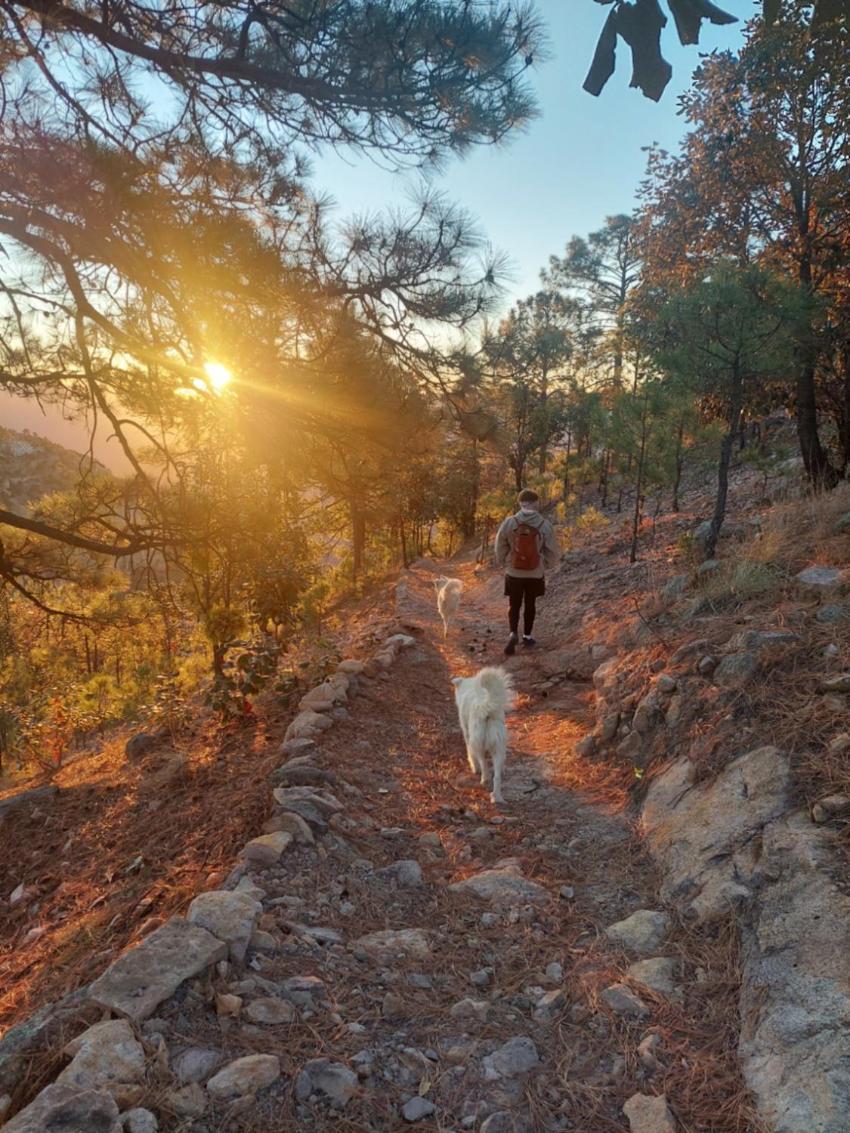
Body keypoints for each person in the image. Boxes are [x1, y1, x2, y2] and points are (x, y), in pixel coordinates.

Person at [494, 489, 560, 655]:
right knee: (530, 604)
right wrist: (544, 565)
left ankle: (512, 633)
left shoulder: (509, 522)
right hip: (535, 573)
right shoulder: (544, 525)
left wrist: (504, 562)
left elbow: (499, 545)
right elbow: (552, 551)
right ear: (536, 503)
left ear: (520, 503)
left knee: (514, 604)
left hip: (514, 572)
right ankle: (527, 636)